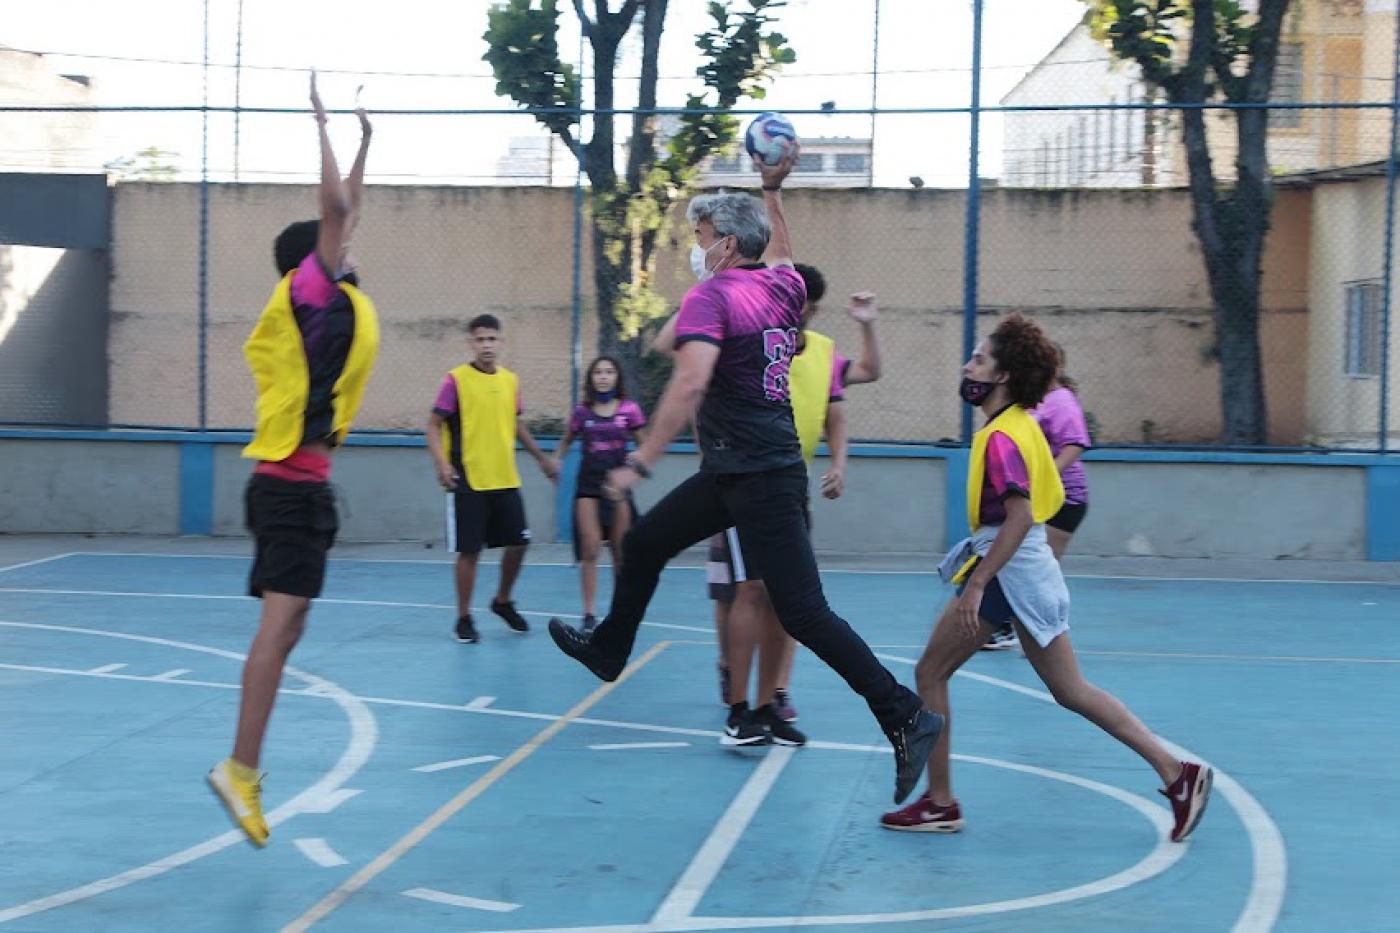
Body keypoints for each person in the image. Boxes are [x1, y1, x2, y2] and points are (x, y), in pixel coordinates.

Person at [547, 143, 944, 805]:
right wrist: (774, 192)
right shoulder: (781, 287)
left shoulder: (712, 298)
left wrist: (643, 458)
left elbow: (691, 380)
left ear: (726, 244)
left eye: (700, 237)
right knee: (643, 544)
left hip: (759, 475)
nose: (695, 248)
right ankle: (610, 650)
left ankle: (904, 713)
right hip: (740, 470)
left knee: (804, 612)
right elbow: (783, 252)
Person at [880, 314, 1212, 843]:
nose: (968, 365)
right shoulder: (1018, 426)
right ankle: (1177, 774)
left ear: (1004, 376)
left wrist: (979, 582)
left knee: (930, 674)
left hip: (1011, 573)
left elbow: (1019, 516)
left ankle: (940, 803)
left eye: (980, 359)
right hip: (1027, 572)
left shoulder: (1002, 438)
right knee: (1069, 689)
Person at [208, 73, 379, 848]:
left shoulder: (322, 306)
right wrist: (322, 123)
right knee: (278, 634)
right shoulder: (308, 295)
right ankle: (240, 768)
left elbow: (349, 209)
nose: (349, 248)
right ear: (309, 261)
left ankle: (243, 764)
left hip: (300, 487)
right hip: (284, 488)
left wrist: (366, 142)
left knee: (293, 623)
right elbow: (337, 211)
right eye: (336, 246)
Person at [667, 265, 882, 746]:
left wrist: (868, 323)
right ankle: (739, 708)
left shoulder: (821, 351)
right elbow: (697, 389)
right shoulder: (747, 338)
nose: (798, 307)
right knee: (746, 591)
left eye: (807, 303)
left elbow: (865, 377)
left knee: (788, 601)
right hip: (745, 480)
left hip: (789, 486)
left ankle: (769, 705)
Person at [426, 314, 559, 643]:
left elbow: (515, 424)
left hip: (505, 477)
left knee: (519, 543)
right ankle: (463, 617)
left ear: (501, 342)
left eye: (492, 339)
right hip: (468, 478)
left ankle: (502, 601)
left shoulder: (510, 381)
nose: (486, 345)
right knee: (470, 551)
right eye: (480, 339)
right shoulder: (455, 380)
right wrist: (441, 463)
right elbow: (432, 424)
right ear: (471, 343)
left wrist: (542, 459)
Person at [983, 343, 1091, 650]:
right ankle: (1018, 628)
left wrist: (1046, 476)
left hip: (1063, 499)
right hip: (1039, 498)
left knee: (1034, 570)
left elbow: (1076, 444)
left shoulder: (1062, 400)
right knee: (1025, 566)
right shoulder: (1036, 400)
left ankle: (1034, 632)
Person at [550, 357, 647, 630]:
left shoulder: (630, 410)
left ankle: (621, 612)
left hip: (617, 487)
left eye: (609, 372)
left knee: (620, 551)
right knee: (590, 548)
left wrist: (634, 469)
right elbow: (566, 441)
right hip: (588, 486)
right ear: (591, 379)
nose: (603, 377)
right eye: (598, 372)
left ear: (617, 377)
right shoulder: (582, 412)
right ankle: (589, 614)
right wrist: (556, 460)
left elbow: (645, 447)